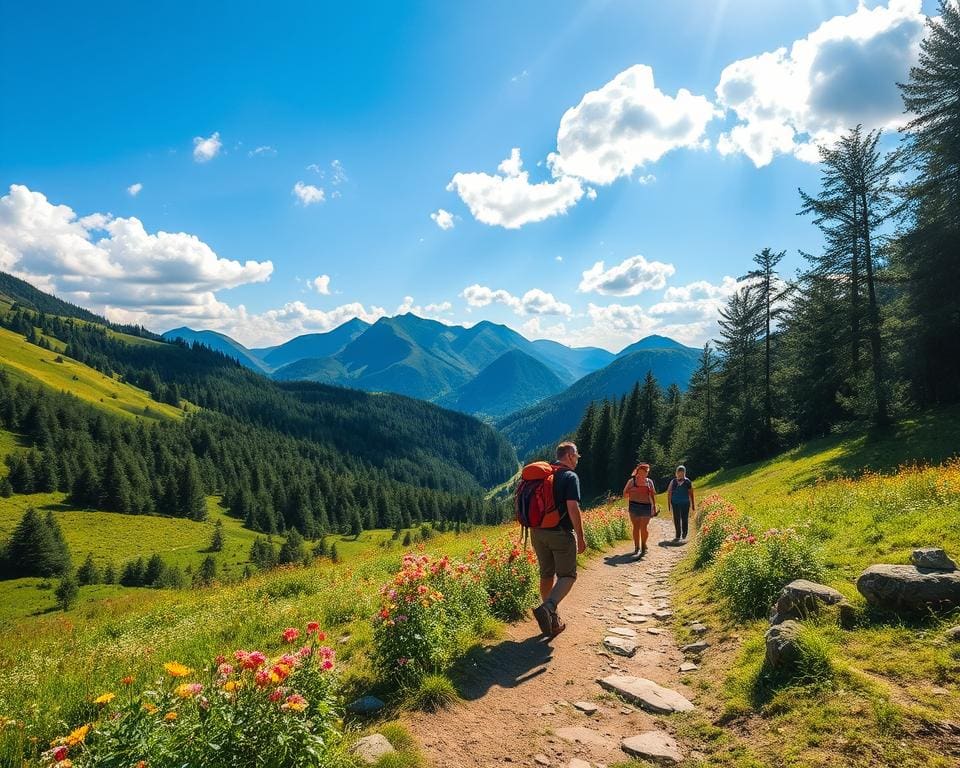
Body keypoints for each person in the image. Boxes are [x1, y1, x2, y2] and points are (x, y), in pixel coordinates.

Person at [531, 441, 586, 638]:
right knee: (568, 576)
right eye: (577, 456)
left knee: (546, 574)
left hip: (536, 532)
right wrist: (580, 536)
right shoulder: (570, 476)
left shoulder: (544, 474)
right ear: (570, 455)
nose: (577, 460)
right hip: (560, 533)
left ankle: (552, 621)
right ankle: (549, 608)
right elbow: (573, 508)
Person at [623, 463, 657, 557]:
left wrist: (654, 507)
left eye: (645, 472)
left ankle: (643, 545)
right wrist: (632, 491)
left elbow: (652, 495)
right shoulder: (631, 481)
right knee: (636, 527)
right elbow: (624, 494)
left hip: (646, 506)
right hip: (634, 505)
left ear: (647, 473)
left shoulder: (649, 482)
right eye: (640, 472)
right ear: (637, 472)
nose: (642, 474)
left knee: (644, 527)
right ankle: (637, 547)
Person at [666, 465, 695, 543]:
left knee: (684, 518)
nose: (680, 474)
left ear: (684, 473)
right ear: (676, 473)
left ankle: (684, 534)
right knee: (676, 519)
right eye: (679, 472)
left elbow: (691, 493)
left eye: (682, 473)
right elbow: (669, 493)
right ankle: (678, 535)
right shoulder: (673, 481)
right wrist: (669, 504)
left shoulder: (687, 481)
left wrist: (693, 505)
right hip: (675, 503)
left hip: (685, 503)